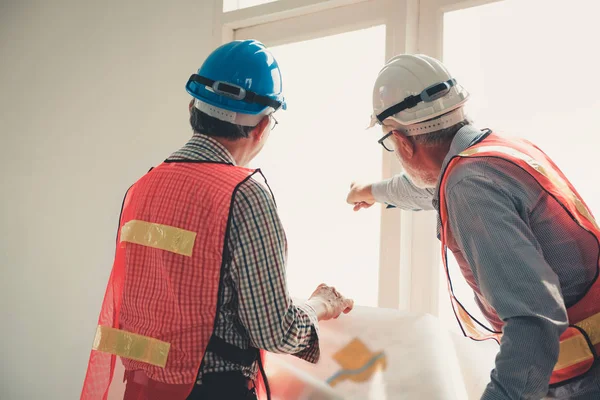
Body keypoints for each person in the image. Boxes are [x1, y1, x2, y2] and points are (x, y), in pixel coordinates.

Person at [81, 40, 353, 400]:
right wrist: (320, 304)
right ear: (262, 126)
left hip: (141, 391)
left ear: (194, 107)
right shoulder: (244, 194)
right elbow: (274, 331)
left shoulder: (142, 187)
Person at [346, 54, 600, 399]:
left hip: (585, 376)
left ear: (402, 142)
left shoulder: (468, 185)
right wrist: (373, 192)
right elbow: (427, 187)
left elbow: (533, 317)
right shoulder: (495, 152)